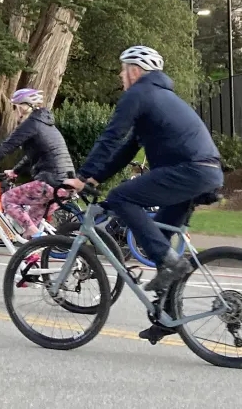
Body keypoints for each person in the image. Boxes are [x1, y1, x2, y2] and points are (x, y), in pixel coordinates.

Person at [63, 46, 223, 339]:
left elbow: (111, 136)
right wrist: (96, 177)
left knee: (122, 198)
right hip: (205, 171)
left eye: (123, 70)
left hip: (188, 170)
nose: (120, 76)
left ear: (134, 71)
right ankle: (167, 318)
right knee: (160, 244)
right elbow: (126, 149)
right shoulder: (160, 98)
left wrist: (82, 176)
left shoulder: (139, 94)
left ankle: (170, 263)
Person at [0, 88, 75, 240]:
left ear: (24, 107)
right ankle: (33, 255)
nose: (14, 111)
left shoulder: (31, 124)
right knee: (28, 232)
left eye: (15, 107)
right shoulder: (45, 124)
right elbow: (32, 155)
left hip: (51, 182)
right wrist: (15, 171)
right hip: (66, 186)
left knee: (8, 199)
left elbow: (4, 149)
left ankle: (39, 236)